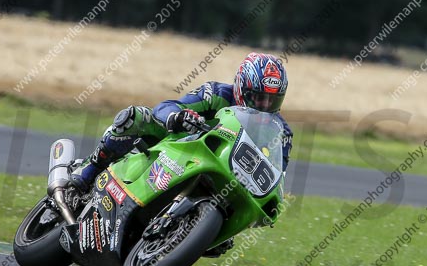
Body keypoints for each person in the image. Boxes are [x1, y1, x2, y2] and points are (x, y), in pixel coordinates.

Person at [69, 52, 293, 193]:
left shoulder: (281, 132)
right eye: (258, 97)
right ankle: (90, 167)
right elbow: (166, 106)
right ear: (241, 87)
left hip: (225, 175)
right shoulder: (215, 94)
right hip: (178, 147)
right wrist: (178, 117)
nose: (263, 106)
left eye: (272, 100)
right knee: (135, 117)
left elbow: (277, 175)